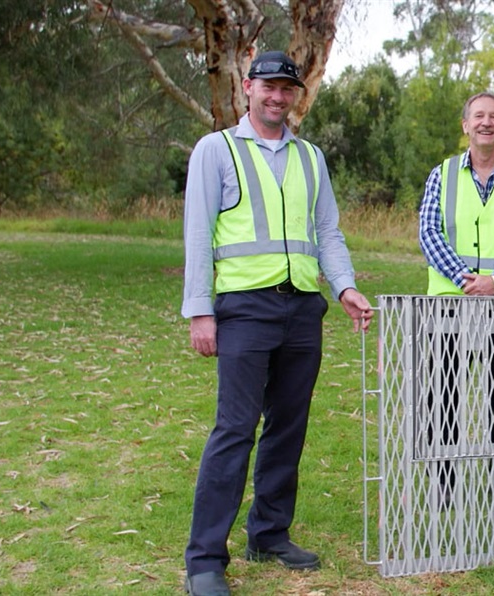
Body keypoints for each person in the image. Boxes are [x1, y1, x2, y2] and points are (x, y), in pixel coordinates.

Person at [180, 50, 373, 596]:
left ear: (295, 96)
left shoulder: (311, 158)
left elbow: (328, 232)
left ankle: (268, 534)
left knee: (288, 427)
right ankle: (204, 560)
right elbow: (198, 233)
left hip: (301, 310)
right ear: (248, 88)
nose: (277, 97)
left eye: (286, 89)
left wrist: (346, 288)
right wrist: (200, 309)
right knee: (235, 430)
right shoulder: (215, 150)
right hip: (243, 308)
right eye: (268, 86)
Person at [417, 92, 494, 505]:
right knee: (445, 396)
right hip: (448, 304)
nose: (486, 122)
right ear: (466, 125)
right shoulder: (442, 174)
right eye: (478, 116)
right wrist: (463, 278)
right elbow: (429, 232)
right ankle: (443, 489)